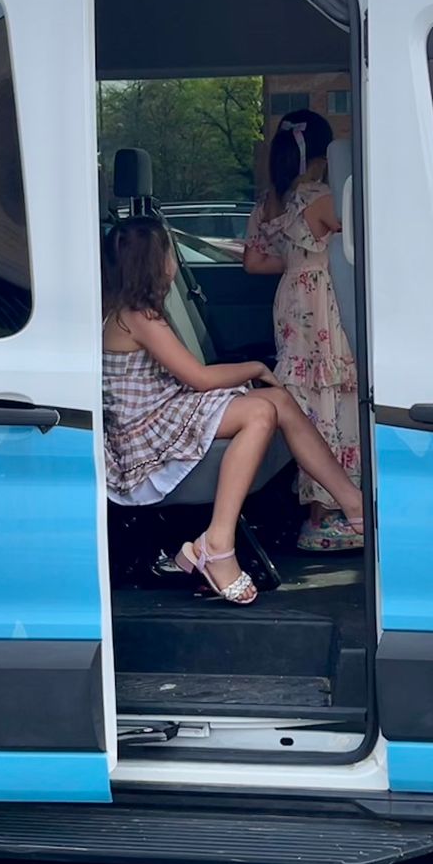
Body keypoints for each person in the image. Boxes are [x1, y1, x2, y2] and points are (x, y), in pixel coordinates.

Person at [102, 216, 365, 605]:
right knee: (259, 412)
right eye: (170, 254)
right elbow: (199, 378)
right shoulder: (137, 317)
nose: (174, 263)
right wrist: (258, 368)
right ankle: (217, 543)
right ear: (157, 264)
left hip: (161, 412)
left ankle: (355, 505)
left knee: (278, 401)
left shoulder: (132, 311)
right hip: (142, 436)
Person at [243, 109, 361, 552]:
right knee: (333, 401)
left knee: (308, 401)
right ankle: (328, 513)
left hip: (292, 302)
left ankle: (317, 505)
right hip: (323, 303)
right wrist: (321, 259)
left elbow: (254, 262)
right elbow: (359, 236)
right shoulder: (320, 194)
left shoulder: (270, 199)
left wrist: (299, 261)